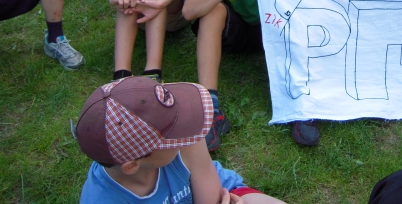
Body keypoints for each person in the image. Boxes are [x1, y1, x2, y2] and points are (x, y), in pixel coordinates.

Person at [181, 0, 307, 151]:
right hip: (236, 33)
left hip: (273, 33)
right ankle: (211, 107)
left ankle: (301, 100)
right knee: (212, 10)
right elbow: (188, 10)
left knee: (297, 10)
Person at [75, 76, 288, 204]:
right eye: (173, 134)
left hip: (224, 195)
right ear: (132, 165)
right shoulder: (102, 199)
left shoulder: (186, 136)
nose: (185, 135)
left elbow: (213, 198)